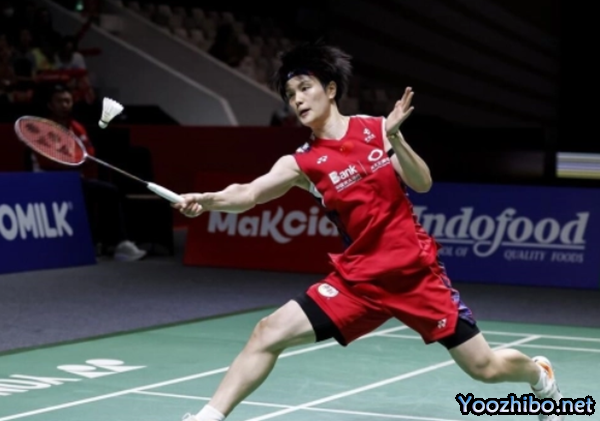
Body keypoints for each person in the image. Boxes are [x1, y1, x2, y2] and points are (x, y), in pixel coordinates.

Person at [172, 41, 564, 421]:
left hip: (415, 275)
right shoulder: (302, 162)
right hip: (359, 281)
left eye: (305, 88)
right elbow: (249, 193)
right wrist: (208, 200)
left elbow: (423, 182)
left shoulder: (375, 130)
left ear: (330, 89)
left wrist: (395, 138)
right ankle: (208, 417)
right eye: (290, 95)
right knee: (267, 332)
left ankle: (538, 375)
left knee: (485, 368)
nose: (298, 100)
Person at [31, 83, 147, 262]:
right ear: (50, 105)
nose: (64, 105)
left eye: (68, 101)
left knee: (110, 191)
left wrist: (72, 159)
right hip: (50, 181)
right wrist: (73, 160)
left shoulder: (76, 127)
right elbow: (48, 161)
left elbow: (89, 154)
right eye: (60, 101)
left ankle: (117, 244)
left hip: (74, 180)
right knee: (90, 192)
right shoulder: (42, 128)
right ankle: (90, 244)